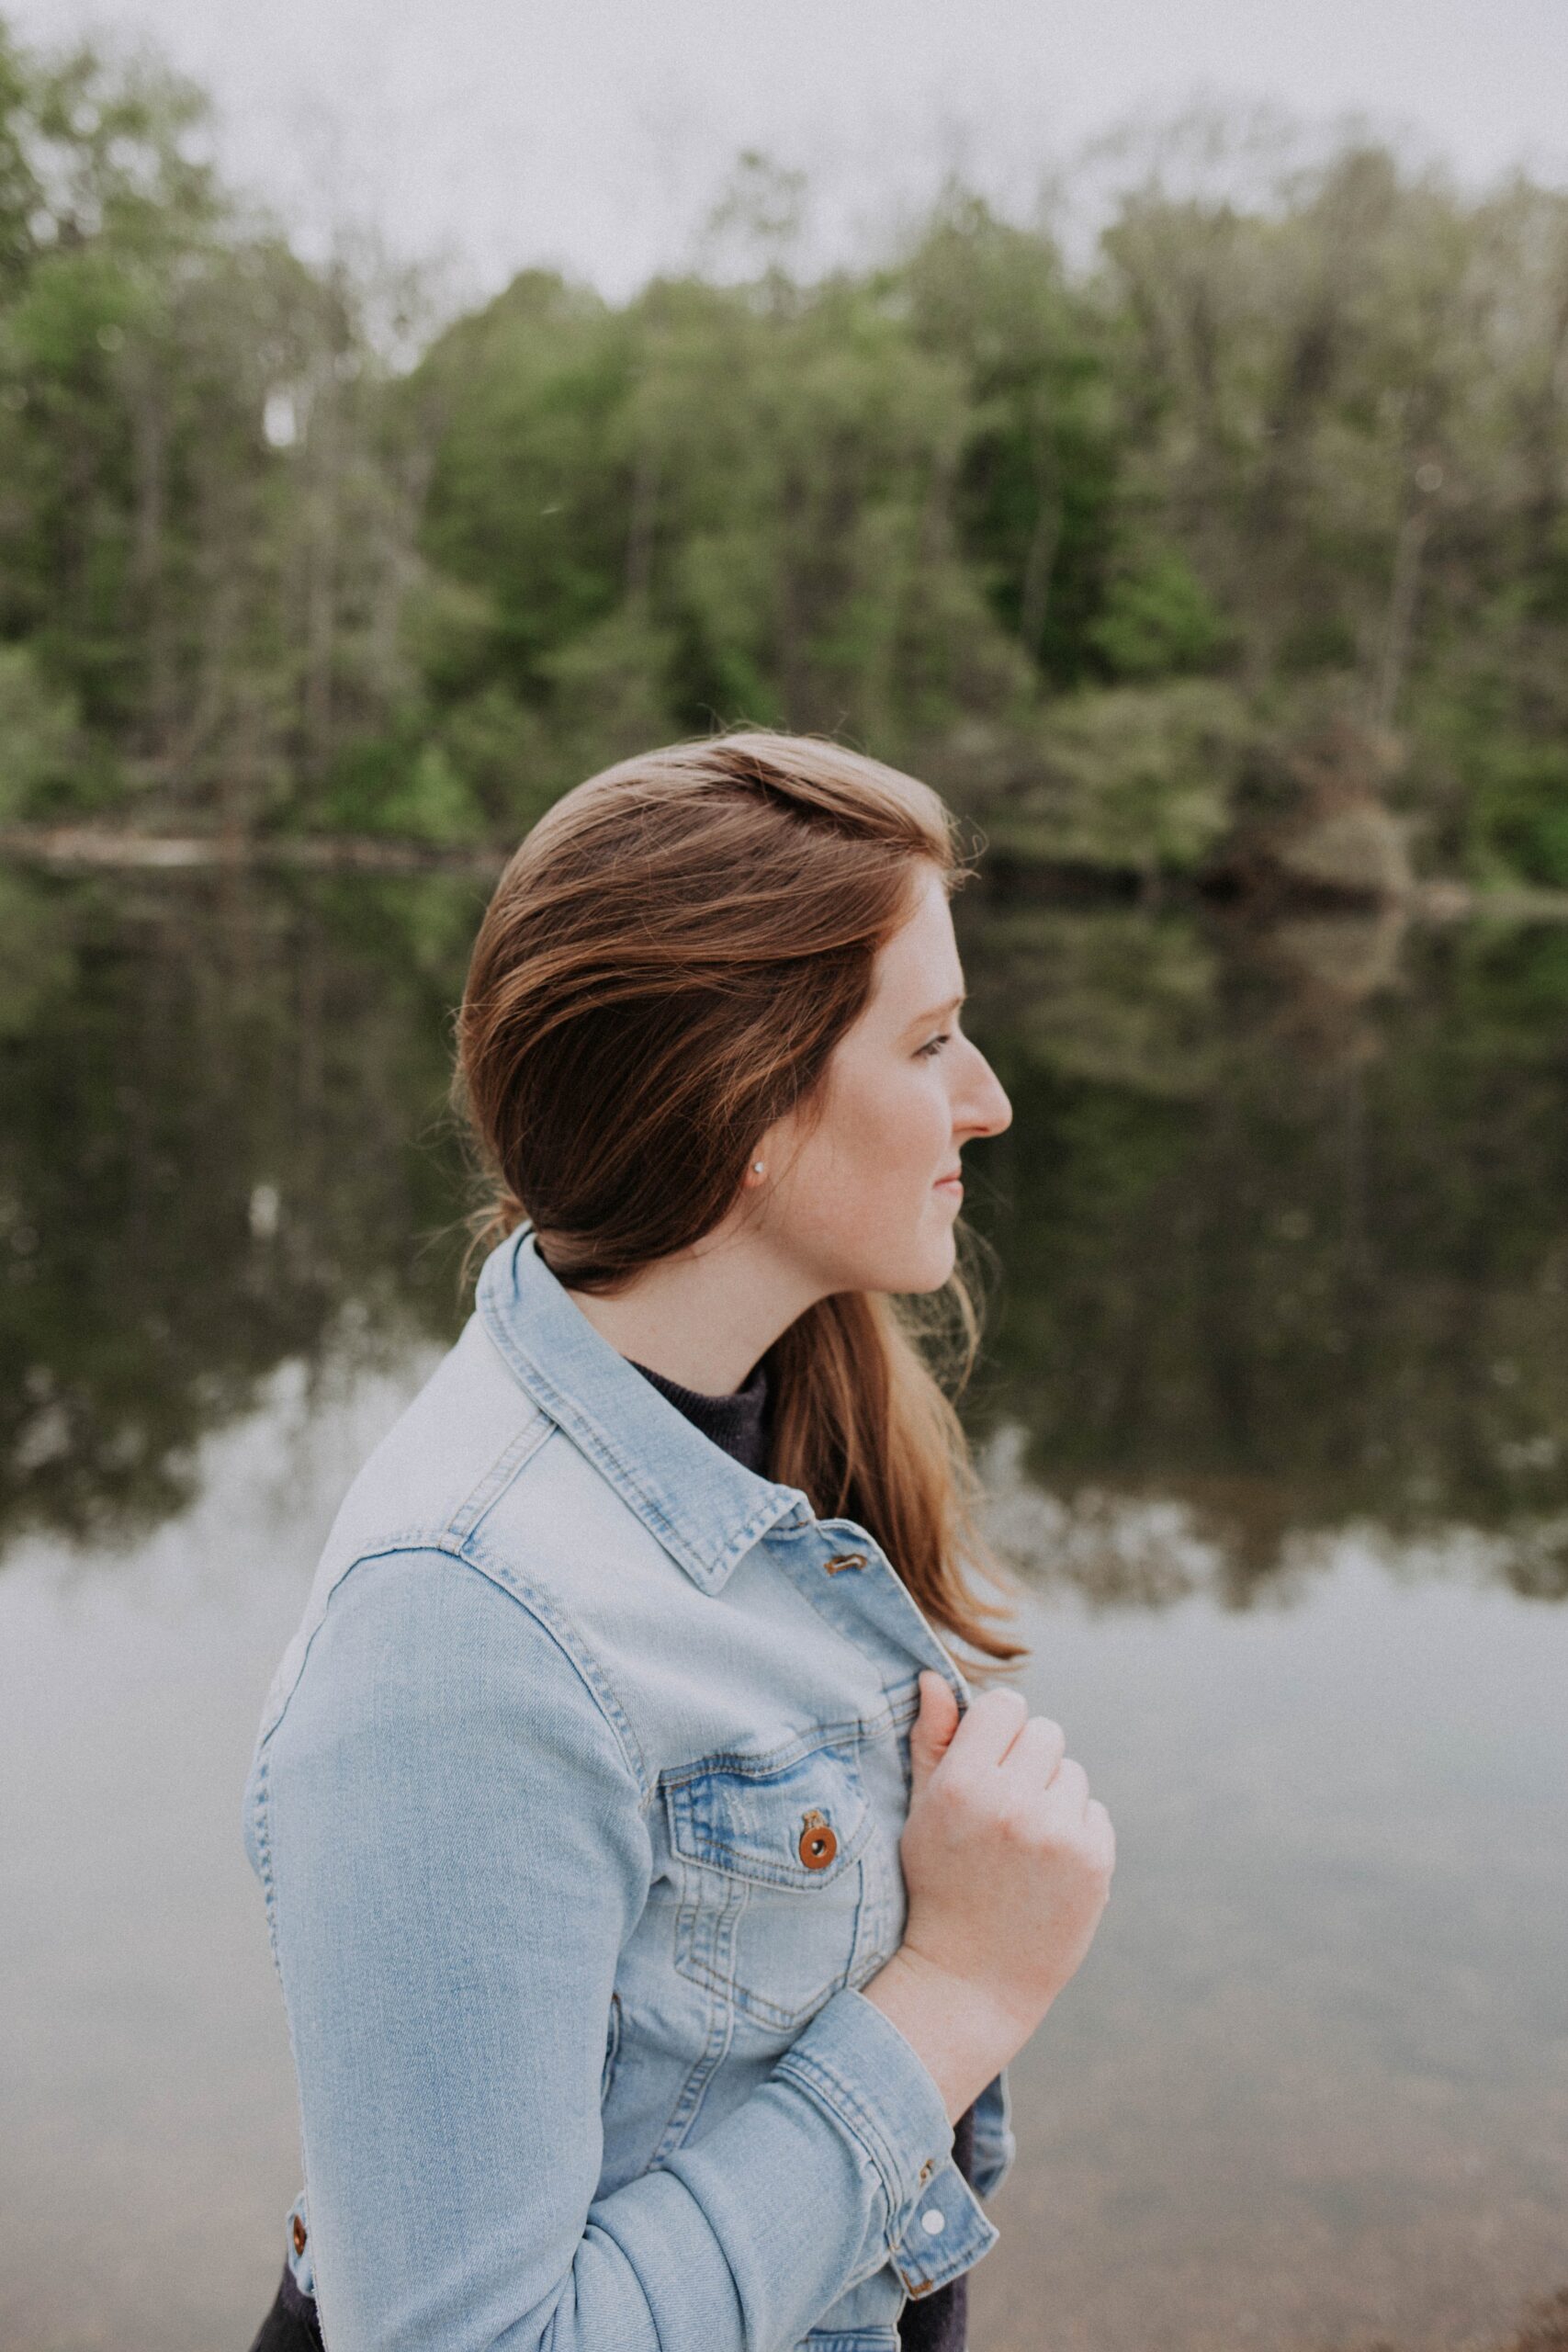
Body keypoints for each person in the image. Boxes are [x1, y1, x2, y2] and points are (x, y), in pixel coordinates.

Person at [242, 731, 1115, 2352]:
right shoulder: (464, 1629)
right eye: (930, 1041)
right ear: (751, 1111)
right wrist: (960, 1997)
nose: (987, 1100)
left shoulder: (776, 1406)